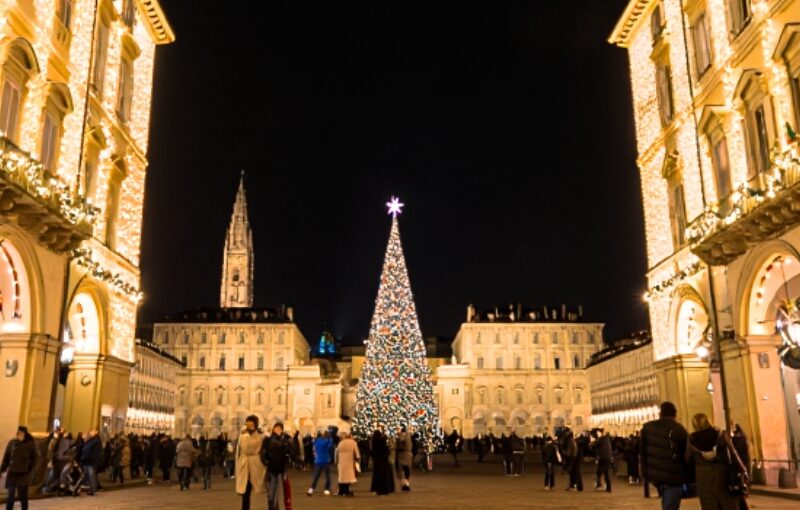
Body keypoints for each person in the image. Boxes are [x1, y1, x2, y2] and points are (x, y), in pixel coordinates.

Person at [686, 414, 741, 510]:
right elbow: (733, 452)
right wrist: (743, 468)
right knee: (725, 498)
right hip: (721, 471)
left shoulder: (691, 439)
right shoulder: (720, 434)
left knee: (708, 500)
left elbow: (687, 457)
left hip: (702, 473)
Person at [641, 401, 689, 510]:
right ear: (675, 414)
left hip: (654, 474)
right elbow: (685, 455)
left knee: (667, 502)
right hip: (673, 474)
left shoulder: (648, 428)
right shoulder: (679, 429)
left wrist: (645, 471)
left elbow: (642, 452)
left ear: (660, 413)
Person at [1, 426, 38, 510]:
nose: (19, 435)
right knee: (10, 496)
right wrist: (2, 470)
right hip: (12, 473)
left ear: (25, 434)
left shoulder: (30, 445)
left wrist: (29, 469)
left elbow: (35, 459)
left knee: (23, 497)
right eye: (18, 433)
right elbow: (6, 458)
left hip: (23, 474)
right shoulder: (12, 443)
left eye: (21, 433)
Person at [236, 415, 266, 510]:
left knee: (254, 488)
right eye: (247, 423)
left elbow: (249, 448)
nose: (249, 425)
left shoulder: (259, 436)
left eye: (251, 423)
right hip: (244, 464)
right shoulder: (243, 435)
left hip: (255, 464)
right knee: (245, 491)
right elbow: (242, 449)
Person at [260, 422, 291, 510]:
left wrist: (288, 440)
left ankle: (276, 507)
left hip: (281, 469)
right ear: (273, 429)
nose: (278, 430)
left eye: (280, 429)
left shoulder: (284, 441)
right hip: (271, 469)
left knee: (279, 492)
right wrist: (265, 462)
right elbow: (263, 453)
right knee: (271, 491)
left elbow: (288, 453)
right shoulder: (267, 440)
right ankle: (271, 507)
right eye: (277, 428)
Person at [307, 431, 333, 495]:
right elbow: (330, 447)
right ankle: (327, 489)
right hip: (326, 460)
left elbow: (314, 449)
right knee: (327, 475)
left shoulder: (317, 441)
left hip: (318, 460)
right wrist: (330, 439)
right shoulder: (327, 441)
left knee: (316, 476)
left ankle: (311, 488)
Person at [370, 429, 394, 495]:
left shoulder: (374, 442)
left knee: (377, 475)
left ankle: (376, 489)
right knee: (383, 476)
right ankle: (384, 489)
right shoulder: (383, 443)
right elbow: (387, 451)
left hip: (377, 461)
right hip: (383, 461)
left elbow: (372, 452)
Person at [335, 432, 360, 497]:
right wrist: (357, 458)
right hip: (349, 462)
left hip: (341, 462)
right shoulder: (353, 442)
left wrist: (336, 461)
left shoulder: (341, 443)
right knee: (348, 477)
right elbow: (357, 453)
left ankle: (341, 491)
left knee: (342, 477)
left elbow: (336, 452)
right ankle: (346, 492)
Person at [80, 429, 102, 496]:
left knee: (91, 475)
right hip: (87, 461)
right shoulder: (91, 440)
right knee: (88, 475)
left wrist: (89, 458)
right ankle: (89, 488)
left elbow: (95, 453)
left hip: (91, 462)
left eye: (92, 432)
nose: (90, 433)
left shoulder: (96, 441)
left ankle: (93, 489)